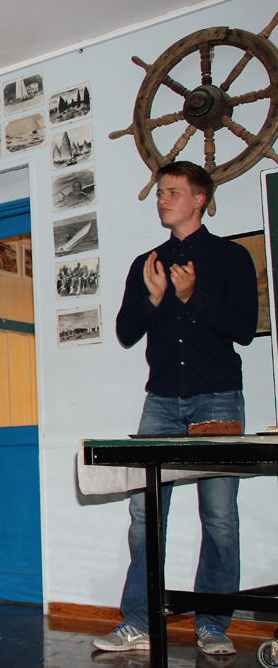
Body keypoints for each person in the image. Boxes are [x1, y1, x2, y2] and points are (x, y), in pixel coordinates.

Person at [94, 161, 257, 656]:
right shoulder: (148, 263)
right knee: (145, 516)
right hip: (161, 402)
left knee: (220, 517)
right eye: (161, 192)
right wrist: (153, 299)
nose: (163, 199)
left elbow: (245, 328)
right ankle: (139, 623)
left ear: (199, 199)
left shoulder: (231, 257)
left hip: (217, 398)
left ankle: (212, 625)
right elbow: (126, 332)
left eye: (173, 192)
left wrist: (191, 297)